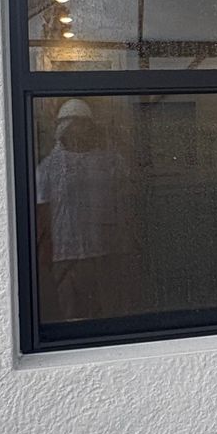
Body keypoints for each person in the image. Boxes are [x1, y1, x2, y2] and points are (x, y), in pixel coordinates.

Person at [34, 98, 136, 322]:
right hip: (66, 251)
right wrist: (44, 251)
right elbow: (42, 213)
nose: (79, 131)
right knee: (72, 312)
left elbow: (126, 204)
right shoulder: (49, 168)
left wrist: (127, 243)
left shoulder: (111, 161)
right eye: (73, 125)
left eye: (83, 125)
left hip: (106, 249)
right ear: (64, 128)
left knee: (106, 311)